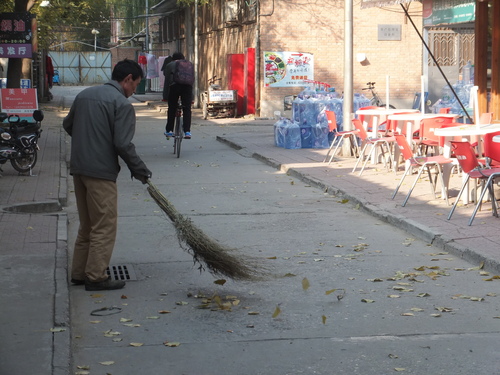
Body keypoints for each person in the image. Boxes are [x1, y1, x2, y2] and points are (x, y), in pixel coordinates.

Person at [63, 59, 152, 291]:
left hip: (79, 169)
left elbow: (68, 125)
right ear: (128, 79)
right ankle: (95, 277)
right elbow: (123, 144)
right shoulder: (121, 105)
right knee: (104, 224)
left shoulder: (84, 95)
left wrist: (88, 139)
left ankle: (79, 273)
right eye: (135, 85)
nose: (134, 91)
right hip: (101, 173)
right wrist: (140, 170)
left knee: (88, 224)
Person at [164, 52, 193, 139]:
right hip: (187, 88)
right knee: (187, 108)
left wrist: (165, 96)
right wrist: (192, 97)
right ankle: (187, 131)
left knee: (172, 108)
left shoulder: (170, 65)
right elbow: (191, 81)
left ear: (173, 58)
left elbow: (167, 81)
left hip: (174, 87)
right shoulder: (189, 65)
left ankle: (169, 130)